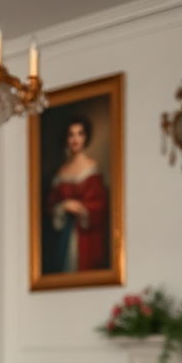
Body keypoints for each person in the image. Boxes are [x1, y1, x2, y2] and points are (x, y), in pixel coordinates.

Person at [46, 115, 108, 273]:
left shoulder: (91, 167)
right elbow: (50, 204)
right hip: (63, 237)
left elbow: (99, 204)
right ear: (66, 138)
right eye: (71, 134)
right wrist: (64, 206)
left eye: (80, 134)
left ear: (85, 137)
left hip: (86, 237)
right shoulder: (61, 172)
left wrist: (81, 208)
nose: (76, 139)